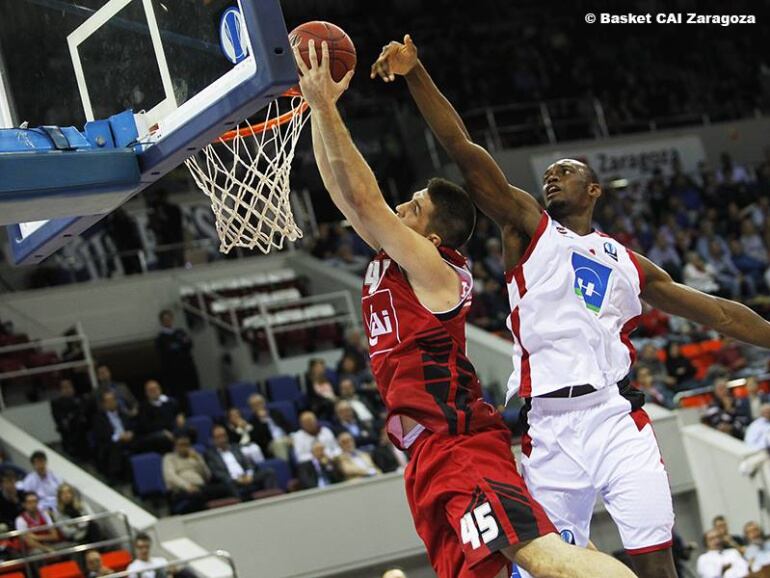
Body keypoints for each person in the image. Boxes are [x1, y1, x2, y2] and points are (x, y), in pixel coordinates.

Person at [371, 34, 770, 578]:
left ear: (595, 190)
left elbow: (719, 313)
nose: (552, 175)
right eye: (548, 171)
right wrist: (416, 73)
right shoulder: (528, 229)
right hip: (549, 430)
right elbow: (464, 149)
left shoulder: (625, 262)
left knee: (656, 566)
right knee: (545, 571)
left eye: (567, 169)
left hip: (615, 419)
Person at [298, 40, 633, 578]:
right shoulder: (394, 260)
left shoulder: (435, 271)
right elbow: (343, 194)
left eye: (413, 207)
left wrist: (326, 107)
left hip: (460, 445)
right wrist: (317, 106)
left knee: (545, 559)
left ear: (432, 237)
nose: (399, 207)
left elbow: (365, 201)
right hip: (429, 454)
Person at [162, 434, 231, 514]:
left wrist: (199, 461)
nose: (184, 447)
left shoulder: (195, 456)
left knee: (225, 488)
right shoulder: (169, 458)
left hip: (201, 488)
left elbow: (207, 476)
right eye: (181, 445)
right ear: (175, 446)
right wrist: (187, 486)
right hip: (182, 490)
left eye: (187, 445)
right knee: (197, 496)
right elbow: (170, 476)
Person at [204, 425, 276, 501]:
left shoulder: (235, 447)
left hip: (247, 476)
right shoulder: (211, 455)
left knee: (269, 472)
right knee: (228, 484)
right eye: (218, 437)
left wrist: (249, 474)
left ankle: (271, 500)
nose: (222, 439)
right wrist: (236, 479)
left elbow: (248, 463)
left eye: (224, 435)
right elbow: (217, 473)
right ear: (213, 440)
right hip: (232, 481)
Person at [155, 309, 200, 406]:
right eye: (165, 319)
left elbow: (188, 344)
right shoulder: (160, 338)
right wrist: (178, 345)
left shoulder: (180, 332)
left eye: (169, 318)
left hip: (188, 369)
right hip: (174, 374)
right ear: (162, 321)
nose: (168, 321)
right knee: (181, 397)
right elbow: (165, 354)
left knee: (194, 393)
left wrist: (177, 346)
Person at [92, 390, 136, 481]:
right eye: (108, 401)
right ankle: (114, 476)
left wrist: (130, 433)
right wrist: (118, 437)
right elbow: (101, 435)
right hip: (110, 442)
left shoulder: (123, 413)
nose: (112, 403)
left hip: (128, 439)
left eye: (113, 400)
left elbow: (132, 426)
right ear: (103, 404)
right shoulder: (98, 418)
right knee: (116, 445)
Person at [136, 380, 181, 454]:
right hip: (155, 433)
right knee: (163, 438)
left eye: (156, 388)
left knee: (190, 430)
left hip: (172, 429)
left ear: (160, 389)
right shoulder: (143, 407)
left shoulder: (169, 401)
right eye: (151, 390)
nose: (154, 391)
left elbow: (178, 412)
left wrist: (180, 416)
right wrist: (163, 431)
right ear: (146, 393)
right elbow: (146, 427)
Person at [50, 378, 91, 459]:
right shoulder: (57, 403)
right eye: (64, 387)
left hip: (84, 435)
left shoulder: (81, 399)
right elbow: (61, 420)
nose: (67, 389)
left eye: (69, 387)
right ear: (60, 390)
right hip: (69, 436)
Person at [246, 393, 293, 461]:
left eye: (260, 403)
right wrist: (263, 421)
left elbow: (287, 425)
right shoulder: (252, 422)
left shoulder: (275, 412)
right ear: (252, 408)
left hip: (286, 438)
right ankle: (285, 468)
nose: (259, 406)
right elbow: (260, 441)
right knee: (279, 444)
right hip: (272, 443)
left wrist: (289, 435)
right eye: (255, 405)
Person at [127, 532, 195, 578]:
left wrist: (173, 571)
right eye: (141, 547)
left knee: (184, 571)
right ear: (136, 548)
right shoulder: (133, 568)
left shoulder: (160, 560)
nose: (144, 550)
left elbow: (170, 575)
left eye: (146, 547)